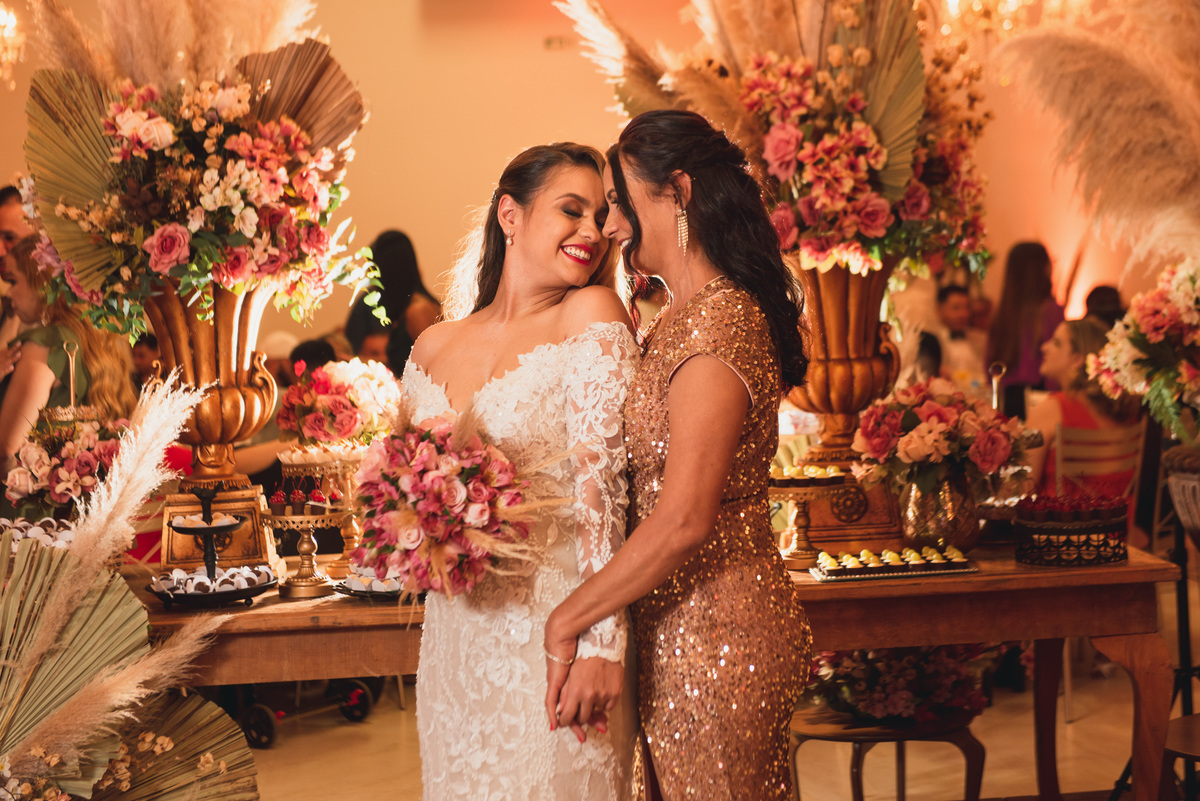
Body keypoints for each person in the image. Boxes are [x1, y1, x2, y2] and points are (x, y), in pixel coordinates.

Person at [544, 110, 813, 800]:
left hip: (717, 632)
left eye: (619, 202)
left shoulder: (721, 321)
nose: (609, 225)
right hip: (673, 627)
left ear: (679, 191)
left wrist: (569, 617)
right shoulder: (677, 318)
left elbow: (685, 517)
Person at [404, 142, 637, 799]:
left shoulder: (590, 314)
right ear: (510, 214)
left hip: (555, 642)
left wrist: (603, 642)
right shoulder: (432, 346)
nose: (592, 231)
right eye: (572, 209)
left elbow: (603, 495)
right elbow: (403, 489)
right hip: (453, 646)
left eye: (601, 216)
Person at [0, 237, 138, 475]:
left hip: (28, 494)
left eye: (13, 281)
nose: (8, 293)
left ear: (40, 280)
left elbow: (6, 449)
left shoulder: (44, 343)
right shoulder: (99, 338)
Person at [1025, 317, 1140, 495]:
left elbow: (1022, 488)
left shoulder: (1050, 410)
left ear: (1078, 358)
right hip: (1121, 511)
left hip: (1062, 512)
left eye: (1056, 343)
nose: (1044, 347)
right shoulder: (1127, 410)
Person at [987, 242, 1064, 418]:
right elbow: (1058, 362)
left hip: (1006, 397)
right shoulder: (1051, 311)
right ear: (1042, 269)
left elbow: (989, 365)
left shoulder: (1002, 314)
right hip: (1041, 395)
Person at [345, 230, 441, 369]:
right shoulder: (406, 310)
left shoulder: (417, 311)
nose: (372, 283)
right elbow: (402, 365)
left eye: (373, 274)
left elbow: (436, 368)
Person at [932, 284, 987, 396]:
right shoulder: (932, 342)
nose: (963, 314)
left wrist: (976, 384)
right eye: (956, 308)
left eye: (966, 308)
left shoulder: (981, 339)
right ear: (939, 309)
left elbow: (983, 378)